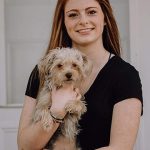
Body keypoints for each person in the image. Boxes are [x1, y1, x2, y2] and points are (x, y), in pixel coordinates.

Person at [17, 0, 143, 149]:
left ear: (105, 19)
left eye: (91, 12)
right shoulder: (43, 72)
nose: (83, 21)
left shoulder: (125, 76)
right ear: (64, 22)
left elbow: (120, 147)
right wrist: (56, 111)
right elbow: (24, 146)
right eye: (73, 15)